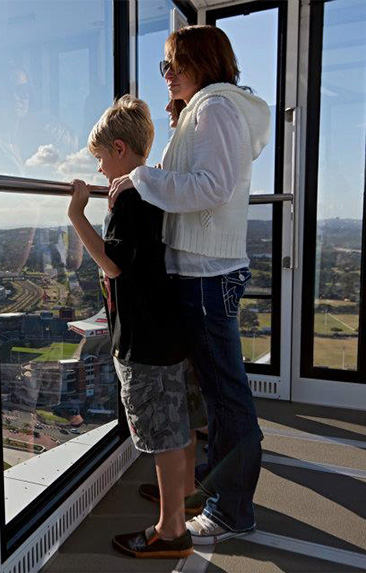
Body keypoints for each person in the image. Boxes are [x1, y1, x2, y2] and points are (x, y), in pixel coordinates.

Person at [109, 25, 270, 546]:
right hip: (203, 272)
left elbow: (212, 187)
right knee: (216, 392)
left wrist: (140, 178)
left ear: (205, 62)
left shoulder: (215, 109)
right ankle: (209, 487)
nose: (168, 74)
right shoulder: (206, 109)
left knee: (227, 397)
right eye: (165, 65)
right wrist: (154, 171)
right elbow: (195, 177)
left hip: (207, 274)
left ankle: (231, 511)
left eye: (176, 63)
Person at [67, 95, 206, 559]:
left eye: (101, 158)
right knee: (180, 420)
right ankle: (184, 494)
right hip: (170, 326)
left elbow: (113, 263)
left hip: (144, 337)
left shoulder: (130, 198)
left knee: (163, 434)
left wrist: (77, 215)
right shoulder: (159, 188)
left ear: (120, 149)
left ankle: (171, 530)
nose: (100, 169)